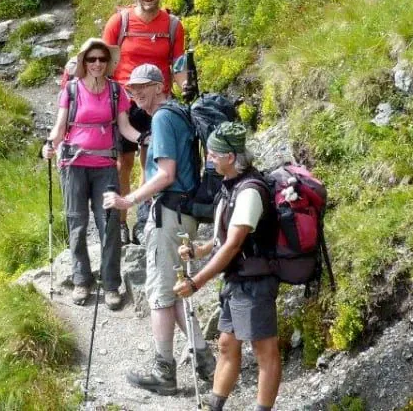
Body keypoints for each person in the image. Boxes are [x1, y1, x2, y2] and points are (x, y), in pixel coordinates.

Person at [104, 64, 214, 395]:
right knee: (173, 290)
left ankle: (163, 370)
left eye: (141, 87)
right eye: (131, 88)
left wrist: (129, 201)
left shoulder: (164, 118)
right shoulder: (176, 114)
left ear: (159, 86)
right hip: (181, 212)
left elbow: (166, 173)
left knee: (159, 294)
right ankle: (205, 357)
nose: (134, 92)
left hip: (169, 212)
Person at [174, 122, 282, 411]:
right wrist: (200, 249)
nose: (209, 159)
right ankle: (215, 407)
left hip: (255, 282)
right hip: (237, 281)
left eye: (213, 154)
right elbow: (225, 237)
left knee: (264, 350)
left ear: (231, 157)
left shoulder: (249, 192)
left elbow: (234, 245)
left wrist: (196, 282)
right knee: (226, 345)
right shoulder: (230, 187)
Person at [42, 39, 141, 310]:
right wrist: (49, 145)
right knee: (77, 223)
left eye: (101, 59)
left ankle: (111, 284)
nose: (97, 63)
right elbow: (60, 127)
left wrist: (145, 138)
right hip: (73, 166)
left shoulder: (116, 91)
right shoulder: (71, 90)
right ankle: (81, 280)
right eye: (91, 59)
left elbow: (124, 127)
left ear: (108, 62)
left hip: (105, 166)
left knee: (108, 223)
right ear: (84, 62)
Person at [103, 0, 187, 244]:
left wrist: (185, 87)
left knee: (151, 160)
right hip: (125, 101)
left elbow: (178, 65)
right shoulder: (120, 22)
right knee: (121, 163)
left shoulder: (173, 25)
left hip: (157, 101)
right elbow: (103, 62)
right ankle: (120, 223)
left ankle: (144, 219)